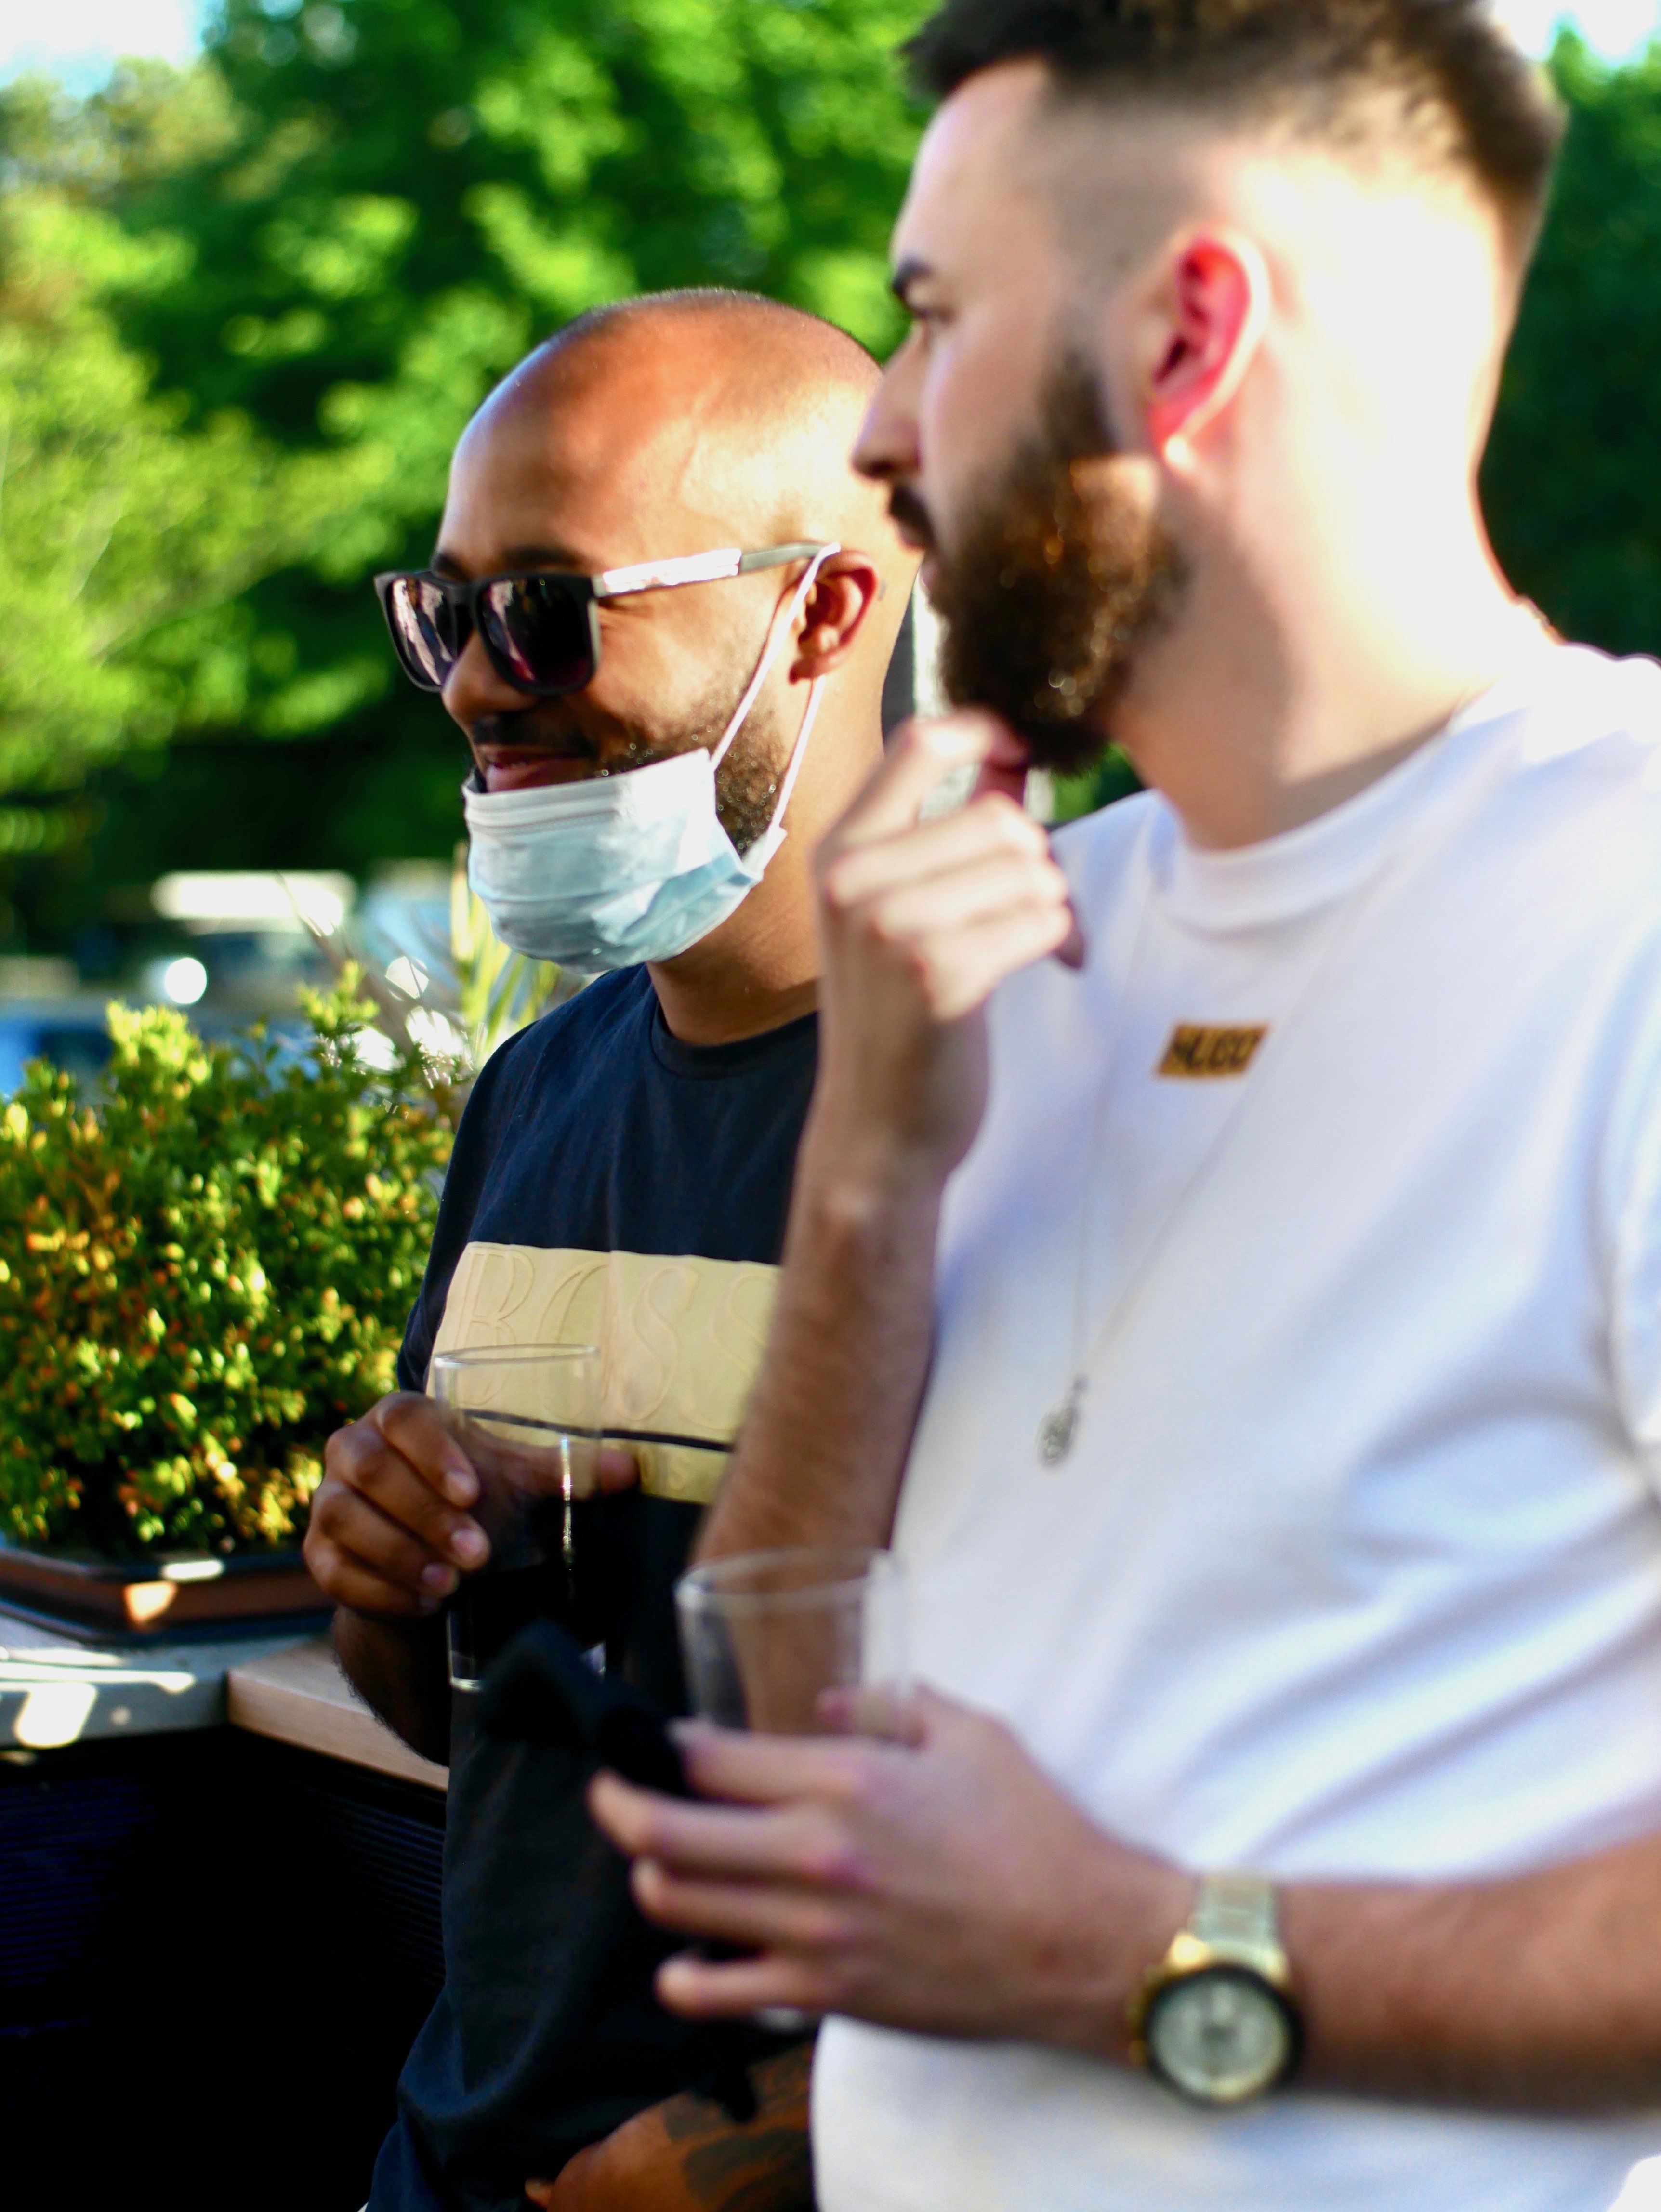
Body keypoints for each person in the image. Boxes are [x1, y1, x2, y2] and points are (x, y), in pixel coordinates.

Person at [588, 9, 1661, 2211]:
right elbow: (786, 1747)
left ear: (1183, 336)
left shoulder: (1626, 908)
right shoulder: (999, 938)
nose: (879, 427)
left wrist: (1139, 1954)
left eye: (933, 318)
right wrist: (866, 1175)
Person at [302, 288, 914, 2212]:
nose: (476, 684)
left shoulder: (1044, 1103)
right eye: (446, 613)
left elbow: (1207, 1796)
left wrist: (762, 2145)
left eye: (550, 608)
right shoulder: (537, 1091)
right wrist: (395, 1571)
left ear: (821, 611)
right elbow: (485, 1730)